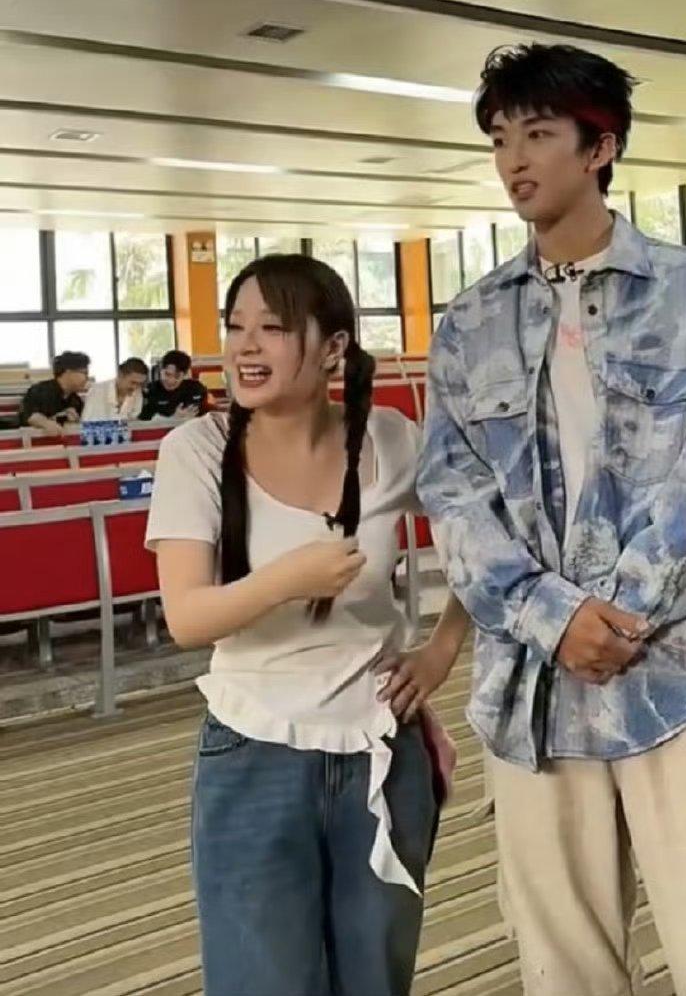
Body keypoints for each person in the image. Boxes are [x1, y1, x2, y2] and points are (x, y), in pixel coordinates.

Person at [418, 43, 686, 996]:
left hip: (682, 674)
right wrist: (554, 617)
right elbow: (453, 494)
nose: (514, 160)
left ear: (600, 147)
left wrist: (619, 615)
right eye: (499, 140)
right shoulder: (470, 324)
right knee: (565, 970)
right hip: (533, 691)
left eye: (537, 134)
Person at [146, 254, 469, 996]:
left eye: (273, 327)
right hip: (254, 751)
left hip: (381, 747)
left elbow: (484, 550)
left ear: (334, 347)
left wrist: (440, 652)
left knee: (375, 976)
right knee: (263, 980)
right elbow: (187, 616)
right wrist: (287, 580)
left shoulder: (390, 437)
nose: (245, 346)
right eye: (235, 327)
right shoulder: (195, 450)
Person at [19, 351, 90, 436]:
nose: (87, 378)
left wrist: (75, 422)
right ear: (68, 372)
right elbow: (29, 415)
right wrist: (46, 423)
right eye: (84, 373)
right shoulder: (39, 391)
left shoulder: (76, 400)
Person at [139, 349, 209, 421]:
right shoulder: (151, 391)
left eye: (177, 376)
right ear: (160, 370)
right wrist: (173, 419)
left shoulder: (196, 388)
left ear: (185, 375)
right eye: (167, 374)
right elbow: (141, 422)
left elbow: (208, 415)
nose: (171, 381)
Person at [82, 356, 149, 421]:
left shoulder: (137, 393)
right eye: (133, 382)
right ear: (120, 375)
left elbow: (133, 421)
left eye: (140, 384)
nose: (135, 387)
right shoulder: (97, 390)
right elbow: (87, 423)